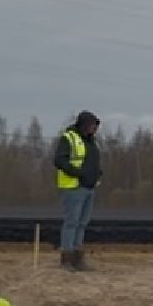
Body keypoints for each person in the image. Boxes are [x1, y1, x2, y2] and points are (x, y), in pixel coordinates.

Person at [53, 110, 103, 272]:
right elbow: (59, 160)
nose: (94, 128)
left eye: (95, 126)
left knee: (82, 224)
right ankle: (67, 258)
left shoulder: (92, 142)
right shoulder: (69, 138)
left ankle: (78, 258)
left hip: (89, 187)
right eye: (92, 125)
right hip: (74, 187)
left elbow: (92, 161)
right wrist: (79, 173)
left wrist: (97, 173)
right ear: (84, 125)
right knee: (72, 223)